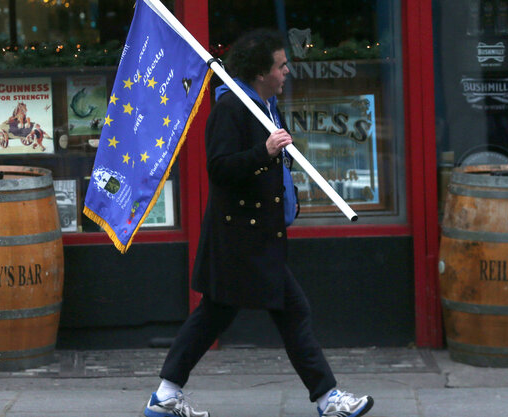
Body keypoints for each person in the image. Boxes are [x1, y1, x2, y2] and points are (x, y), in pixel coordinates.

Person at [143, 29, 374, 417]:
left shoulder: (265, 105)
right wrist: (263, 151)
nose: (287, 72)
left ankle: (165, 395)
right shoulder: (232, 109)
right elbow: (218, 169)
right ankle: (328, 399)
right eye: (281, 66)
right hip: (242, 239)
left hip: (259, 236)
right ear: (260, 71)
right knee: (292, 312)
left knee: (215, 315)